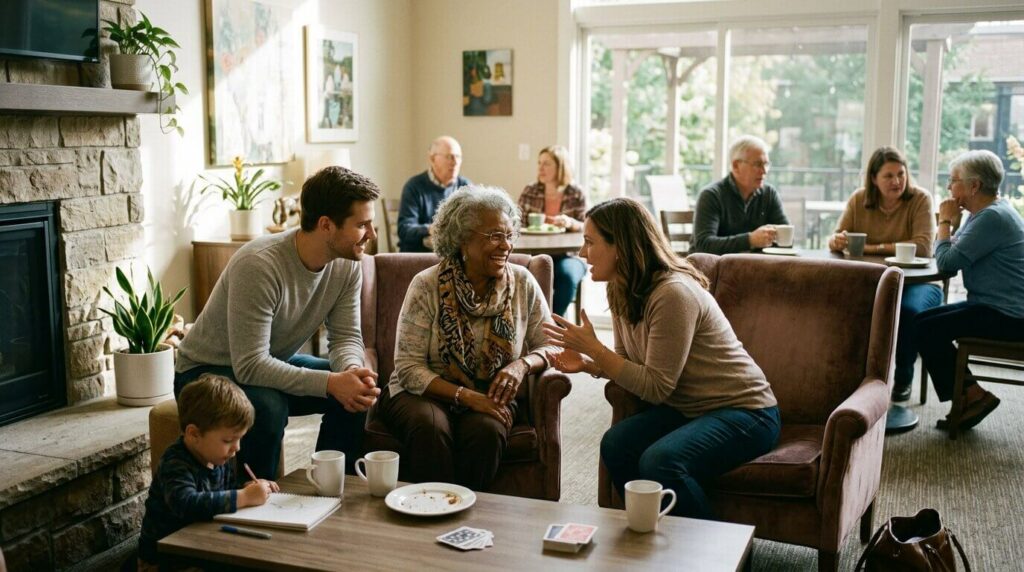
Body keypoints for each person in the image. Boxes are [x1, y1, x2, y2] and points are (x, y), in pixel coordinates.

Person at [544, 197, 780, 519]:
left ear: (620, 247)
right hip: (691, 408)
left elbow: (656, 387)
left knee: (660, 460)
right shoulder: (620, 288)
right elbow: (630, 364)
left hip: (747, 412)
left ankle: (717, 556)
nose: (583, 253)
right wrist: (589, 364)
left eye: (589, 242)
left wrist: (594, 349)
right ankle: (651, 536)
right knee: (616, 443)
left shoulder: (672, 294)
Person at [175, 166, 382, 481]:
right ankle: (259, 504)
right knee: (268, 408)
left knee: (356, 395)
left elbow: (345, 337)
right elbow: (250, 366)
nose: (372, 235)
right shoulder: (259, 266)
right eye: (362, 225)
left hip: (267, 360)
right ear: (326, 225)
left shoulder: (347, 263)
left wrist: (351, 372)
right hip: (204, 371)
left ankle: (330, 487)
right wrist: (330, 383)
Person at [378, 186, 558, 490]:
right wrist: (468, 397)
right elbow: (408, 368)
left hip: (491, 394)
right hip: (422, 393)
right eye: (493, 236)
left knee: (487, 432)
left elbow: (552, 344)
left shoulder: (523, 282)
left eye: (509, 235)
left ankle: (468, 520)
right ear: (462, 239)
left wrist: (521, 366)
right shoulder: (427, 285)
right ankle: (432, 513)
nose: (505, 246)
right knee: (431, 428)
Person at [915, 150, 1024, 431]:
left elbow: (948, 264)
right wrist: (955, 226)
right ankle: (969, 394)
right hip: (994, 307)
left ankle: (972, 396)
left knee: (925, 328)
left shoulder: (992, 218)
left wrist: (944, 221)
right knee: (921, 322)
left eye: (954, 181)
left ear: (974, 186)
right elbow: (956, 249)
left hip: (1010, 316)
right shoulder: (988, 213)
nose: (950, 188)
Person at [827, 146, 942, 402]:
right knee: (844, 306)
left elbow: (923, 247)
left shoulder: (920, 199)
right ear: (873, 179)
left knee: (909, 311)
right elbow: (838, 237)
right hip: (873, 282)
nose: (897, 181)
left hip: (919, 283)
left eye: (901, 174)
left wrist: (869, 248)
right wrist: (835, 241)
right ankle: (851, 379)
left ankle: (903, 377)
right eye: (888, 176)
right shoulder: (859, 200)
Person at [138, 375, 280, 569]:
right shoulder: (175, 463)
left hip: (204, 545)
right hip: (166, 559)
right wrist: (244, 497)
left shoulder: (218, 457)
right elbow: (187, 504)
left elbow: (224, 490)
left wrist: (247, 488)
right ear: (194, 434)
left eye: (239, 439)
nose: (236, 448)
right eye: (228, 440)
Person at [518, 145, 588, 316]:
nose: (540, 168)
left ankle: (551, 326)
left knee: (567, 276)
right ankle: (532, 324)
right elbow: (516, 221)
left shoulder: (576, 193)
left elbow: (586, 225)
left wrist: (571, 223)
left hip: (569, 255)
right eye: (539, 163)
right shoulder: (530, 190)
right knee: (521, 274)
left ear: (560, 167)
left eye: (547, 164)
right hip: (534, 253)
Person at [692, 135, 789, 254]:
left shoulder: (769, 194)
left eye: (766, 164)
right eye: (758, 164)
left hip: (755, 268)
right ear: (736, 166)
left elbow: (785, 238)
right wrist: (751, 240)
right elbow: (704, 245)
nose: (764, 171)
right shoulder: (711, 195)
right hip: (714, 269)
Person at [397, 136, 472, 252]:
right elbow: (405, 230)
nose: (455, 162)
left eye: (458, 157)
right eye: (450, 157)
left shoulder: (465, 186)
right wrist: (432, 229)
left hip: (455, 254)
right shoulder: (414, 186)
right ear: (432, 159)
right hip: (420, 256)